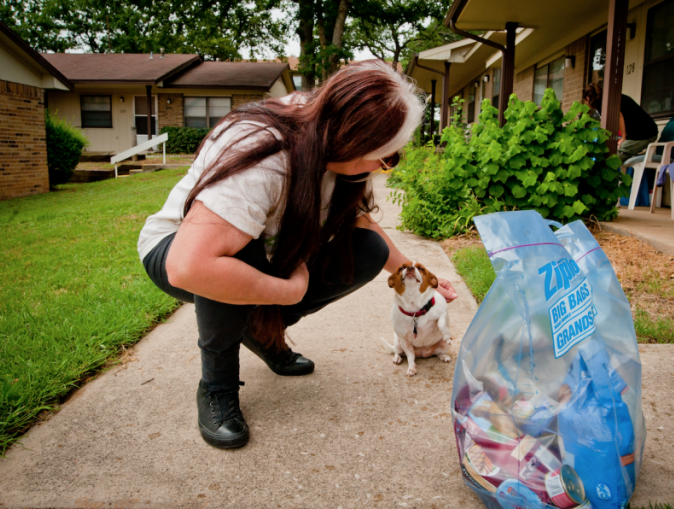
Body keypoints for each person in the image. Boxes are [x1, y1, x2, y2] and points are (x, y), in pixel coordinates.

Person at [137, 60, 459, 449]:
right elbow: (190, 266)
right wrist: (285, 292)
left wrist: (418, 272)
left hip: (264, 256)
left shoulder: (335, 151)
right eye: (384, 157)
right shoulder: (263, 154)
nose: (383, 166)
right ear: (353, 141)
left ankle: (260, 331)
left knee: (368, 250)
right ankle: (216, 387)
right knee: (240, 253)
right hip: (176, 249)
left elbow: (362, 225)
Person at [616, 94, 658, 161]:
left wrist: (623, 137)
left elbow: (619, 115)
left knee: (616, 155)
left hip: (645, 133)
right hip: (636, 135)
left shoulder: (610, 100)